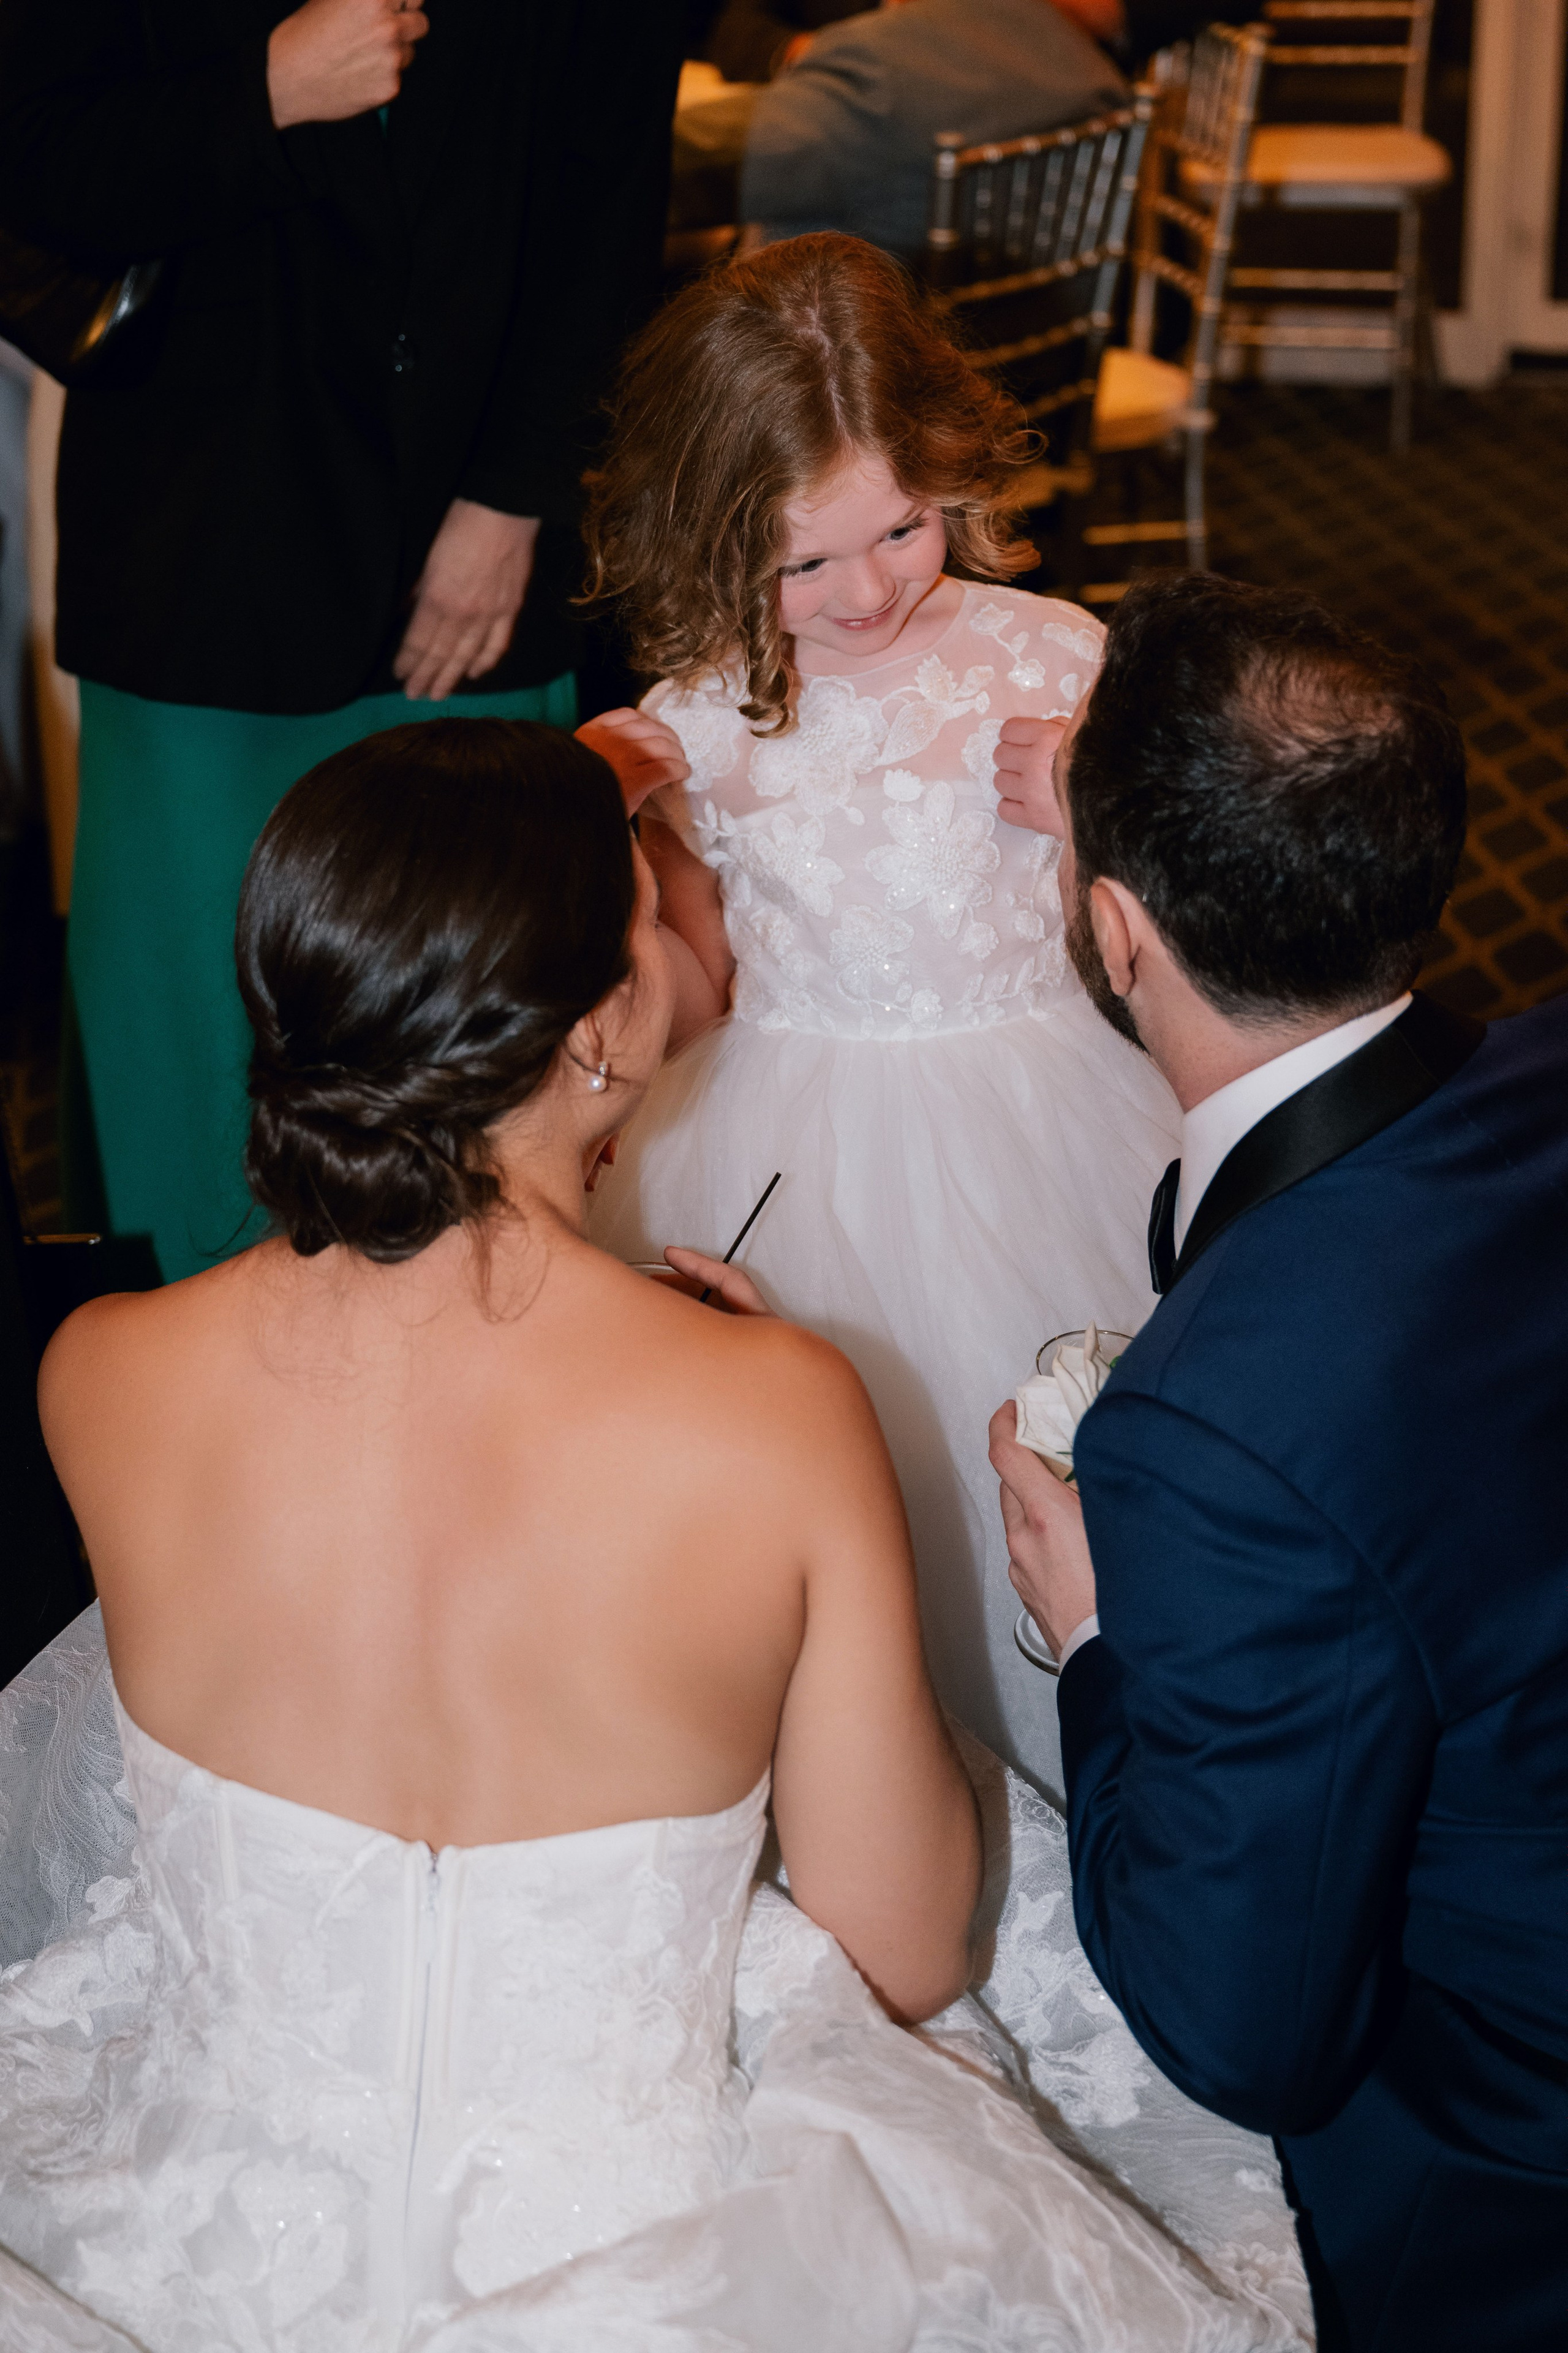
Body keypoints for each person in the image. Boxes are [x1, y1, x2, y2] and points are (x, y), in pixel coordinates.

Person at [0, 717, 1303, 2349]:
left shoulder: (101, 1369)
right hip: (653, 2265)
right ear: (604, 1026)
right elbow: (900, 1947)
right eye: (646, 916)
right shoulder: (779, 1410)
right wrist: (762, 1404)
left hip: (182, 2245)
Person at [992, 573, 1568, 2351]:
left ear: (1116, 934)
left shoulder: (1219, 1428)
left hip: (1501, 2179)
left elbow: (1250, 2029)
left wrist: (1097, 1633)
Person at [579, 235, 1180, 1799]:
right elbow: (704, 987)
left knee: (1041, 1485)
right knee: (816, 1527)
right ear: (715, 540)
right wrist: (609, 828)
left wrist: (1093, 812)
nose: (865, 590)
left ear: (944, 474)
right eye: (803, 560)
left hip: (1043, 1118)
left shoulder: (1049, 652)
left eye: (899, 527)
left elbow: (1159, 947)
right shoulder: (702, 709)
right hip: (783, 1146)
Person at [0, 0, 682, 1283]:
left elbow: (608, 204)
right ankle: (182, 1425)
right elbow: (34, 161)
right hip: (202, 563)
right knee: (196, 1044)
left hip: (483, 552)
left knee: (486, 1042)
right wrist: (258, 90)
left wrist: (510, 500)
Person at [739, 0, 1127, 258]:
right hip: (1040, 359)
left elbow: (705, 166)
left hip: (860, 367)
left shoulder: (881, 69)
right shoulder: (1094, 76)